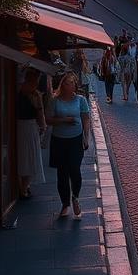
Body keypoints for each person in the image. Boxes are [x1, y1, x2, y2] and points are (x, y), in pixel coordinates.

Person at [46, 71, 90, 218]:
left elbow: (85, 118)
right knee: (62, 173)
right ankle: (65, 204)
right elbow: (48, 119)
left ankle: (75, 197)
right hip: (59, 140)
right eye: (66, 83)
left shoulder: (81, 100)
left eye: (71, 83)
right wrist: (65, 120)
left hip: (75, 139)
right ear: (62, 85)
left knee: (75, 170)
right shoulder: (55, 100)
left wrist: (86, 137)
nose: (69, 86)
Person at [17, 67, 47, 198]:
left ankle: (24, 185)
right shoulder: (34, 95)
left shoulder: (21, 93)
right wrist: (43, 126)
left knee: (25, 156)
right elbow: (40, 113)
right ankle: (24, 186)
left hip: (23, 127)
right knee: (29, 156)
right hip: (28, 127)